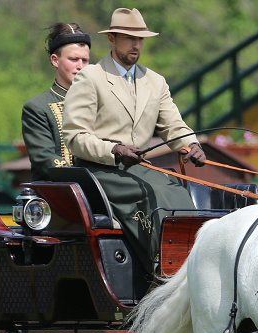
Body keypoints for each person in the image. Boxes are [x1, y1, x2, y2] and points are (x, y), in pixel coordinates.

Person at [62, 8, 205, 277]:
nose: (136, 45)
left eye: (140, 39)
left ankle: (189, 268)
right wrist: (114, 150)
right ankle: (161, 271)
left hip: (138, 166)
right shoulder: (90, 77)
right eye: (129, 38)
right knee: (153, 196)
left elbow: (173, 125)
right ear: (112, 39)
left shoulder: (155, 81)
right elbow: (75, 136)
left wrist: (190, 145)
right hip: (99, 169)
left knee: (178, 190)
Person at [21, 23, 91, 182]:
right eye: (73, 59)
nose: (80, 66)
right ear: (55, 60)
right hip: (56, 195)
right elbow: (45, 159)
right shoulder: (37, 107)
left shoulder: (101, 102)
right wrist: (87, 181)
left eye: (85, 60)